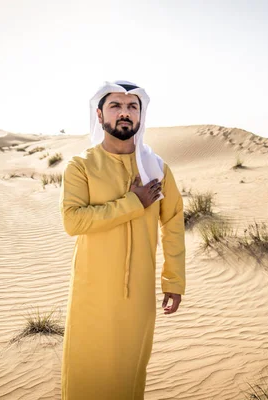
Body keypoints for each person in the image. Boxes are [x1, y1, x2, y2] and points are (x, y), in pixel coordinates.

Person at [59, 80, 186, 399]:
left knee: (128, 379)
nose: (125, 113)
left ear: (141, 117)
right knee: (86, 375)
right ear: (99, 116)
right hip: (92, 292)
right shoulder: (81, 166)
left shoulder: (156, 169)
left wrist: (174, 280)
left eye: (132, 107)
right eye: (115, 106)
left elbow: (172, 224)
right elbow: (73, 221)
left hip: (137, 297)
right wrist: (133, 202)